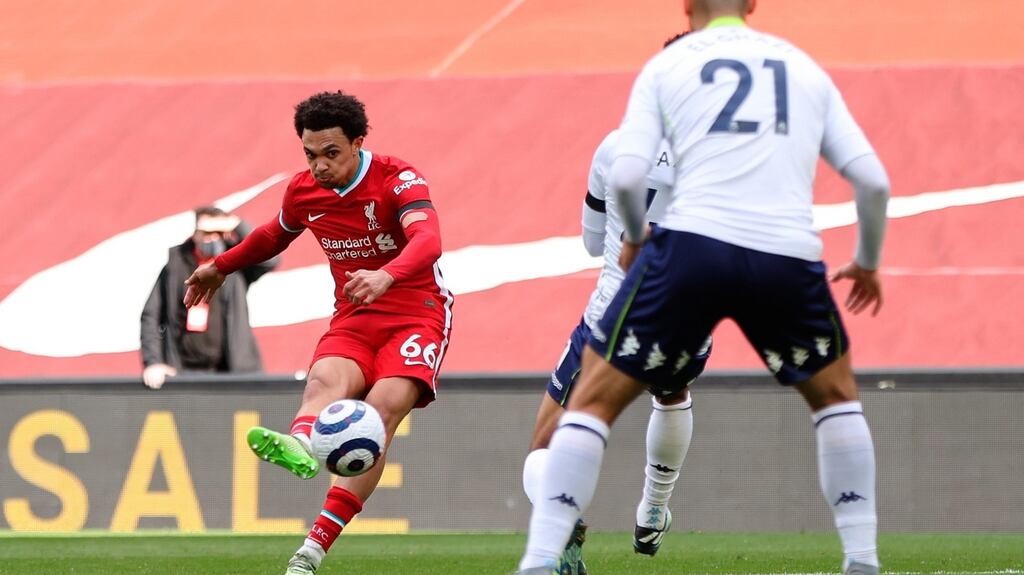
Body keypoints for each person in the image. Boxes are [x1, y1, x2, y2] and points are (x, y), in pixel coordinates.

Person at [516, 1, 890, 574]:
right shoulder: (799, 67)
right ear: (754, 5)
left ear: (688, 9)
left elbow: (617, 190)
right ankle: (859, 557)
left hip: (671, 273)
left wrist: (637, 237)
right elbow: (872, 180)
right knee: (832, 402)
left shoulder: (659, 82)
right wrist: (866, 261)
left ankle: (542, 557)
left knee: (583, 414)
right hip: (782, 255)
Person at [183, 91, 452, 575]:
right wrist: (218, 267)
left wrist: (386, 275)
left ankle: (313, 547)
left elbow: (428, 240)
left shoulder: (397, 178)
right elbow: (272, 234)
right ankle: (303, 444)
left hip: (416, 313)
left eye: (331, 153)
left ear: (358, 143)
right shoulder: (304, 191)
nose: (320, 166)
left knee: (382, 410)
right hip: (353, 317)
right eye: (311, 155)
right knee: (323, 382)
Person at [524, 127, 708, 575]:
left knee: (547, 443)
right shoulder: (730, 152)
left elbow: (591, 243)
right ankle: (652, 509)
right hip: (688, 318)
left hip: (613, 315)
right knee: (672, 393)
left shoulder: (615, 145)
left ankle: (563, 524)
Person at [140, 206, 278, 389]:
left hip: (230, 371)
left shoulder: (236, 262)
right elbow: (151, 316)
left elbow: (270, 258)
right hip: (182, 371)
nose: (212, 238)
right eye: (206, 232)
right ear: (195, 233)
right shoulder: (176, 264)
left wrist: (236, 224)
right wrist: (154, 362)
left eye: (218, 232)